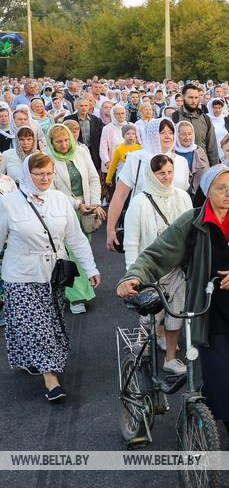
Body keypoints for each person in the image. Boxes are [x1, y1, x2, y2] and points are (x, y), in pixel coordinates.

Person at [117, 164, 229, 450]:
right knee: (223, 371)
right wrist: (134, 276)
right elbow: (157, 253)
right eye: (221, 188)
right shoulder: (192, 222)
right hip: (207, 310)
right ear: (207, 191)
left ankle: (214, 400)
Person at [0, 153, 101, 401]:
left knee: (50, 321)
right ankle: (51, 379)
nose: (45, 178)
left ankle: (32, 358)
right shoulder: (9, 203)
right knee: (37, 326)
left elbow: (75, 238)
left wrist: (91, 269)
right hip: (20, 274)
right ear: (27, 174)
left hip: (53, 273)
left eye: (49, 174)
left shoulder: (60, 200)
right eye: (39, 174)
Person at [122, 154, 193, 375]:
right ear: (151, 175)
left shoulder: (182, 197)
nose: (167, 177)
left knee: (176, 313)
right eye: (161, 173)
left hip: (177, 269)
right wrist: (132, 274)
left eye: (170, 172)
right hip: (150, 269)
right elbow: (131, 242)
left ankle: (170, 358)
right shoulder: (139, 202)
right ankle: (143, 344)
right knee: (151, 315)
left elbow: (191, 233)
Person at [106, 118, 190, 251]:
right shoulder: (136, 158)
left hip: (175, 227)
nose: (168, 136)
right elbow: (120, 195)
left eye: (171, 132)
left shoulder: (181, 162)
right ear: (152, 135)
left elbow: (183, 198)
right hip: (143, 224)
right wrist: (111, 229)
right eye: (162, 132)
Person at [46, 124, 104, 314]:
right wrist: (76, 204)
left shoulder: (81, 152)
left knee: (83, 249)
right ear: (51, 143)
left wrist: (95, 203)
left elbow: (94, 179)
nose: (63, 145)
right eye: (58, 142)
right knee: (70, 253)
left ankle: (83, 286)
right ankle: (76, 296)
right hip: (63, 211)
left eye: (66, 140)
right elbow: (52, 190)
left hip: (86, 210)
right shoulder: (49, 159)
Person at [169, 83, 219, 165]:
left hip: (202, 167)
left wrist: (214, 169)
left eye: (196, 97)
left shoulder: (206, 119)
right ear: (183, 97)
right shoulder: (173, 118)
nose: (194, 101)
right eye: (190, 97)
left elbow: (212, 148)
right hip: (179, 167)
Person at [174, 120, 210, 198]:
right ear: (177, 135)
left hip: (199, 195)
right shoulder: (173, 152)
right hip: (179, 195)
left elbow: (207, 171)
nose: (187, 137)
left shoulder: (198, 150)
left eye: (190, 134)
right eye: (183, 134)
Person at [99, 104, 129, 174]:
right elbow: (103, 147)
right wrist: (107, 161)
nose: (120, 115)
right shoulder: (107, 128)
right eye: (118, 114)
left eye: (122, 113)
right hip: (113, 163)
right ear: (113, 115)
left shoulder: (130, 126)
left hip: (128, 162)